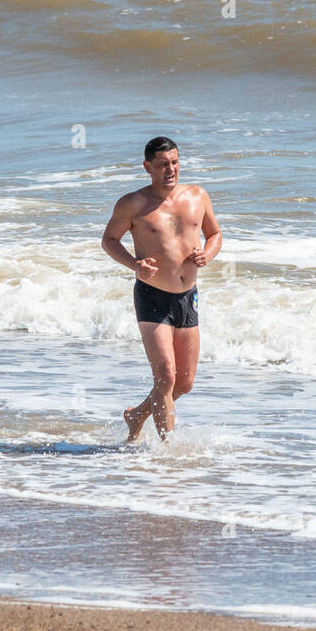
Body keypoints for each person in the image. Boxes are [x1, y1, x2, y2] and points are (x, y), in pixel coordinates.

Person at [100, 135, 223, 442]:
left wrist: (207, 254)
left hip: (187, 297)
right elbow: (109, 240)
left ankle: (136, 415)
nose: (170, 169)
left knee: (184, 383)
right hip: (151, 295)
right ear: (147, 167)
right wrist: (134, 265)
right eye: (162, 164)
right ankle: (165, 452)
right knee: (166, 376)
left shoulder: (198, 196)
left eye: (175, 162)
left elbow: (215, 234)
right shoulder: (133, 204)